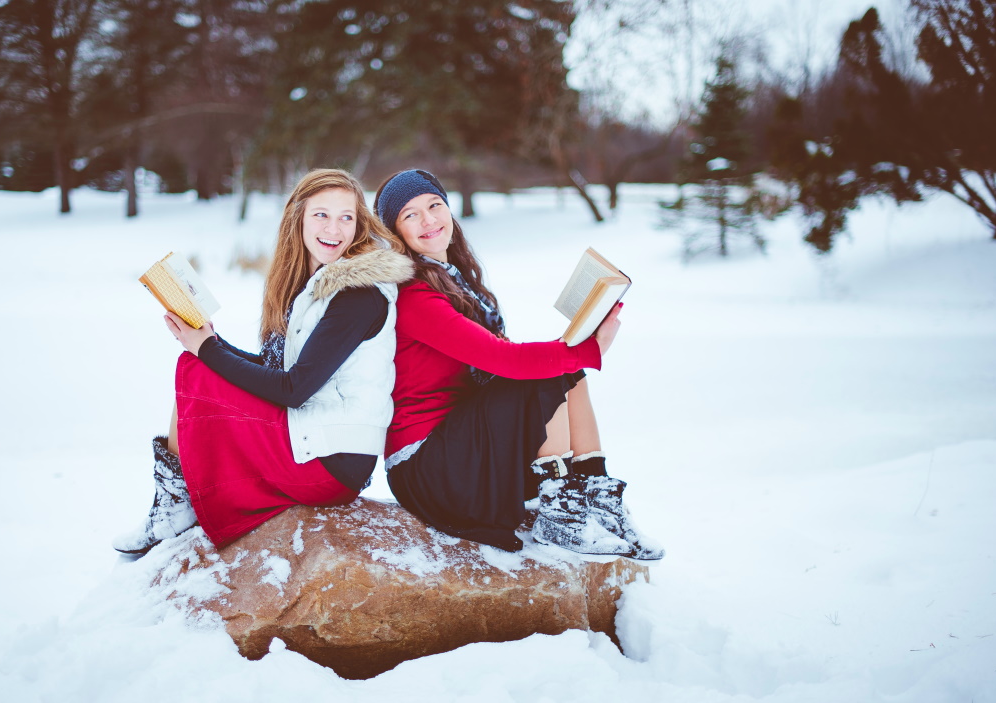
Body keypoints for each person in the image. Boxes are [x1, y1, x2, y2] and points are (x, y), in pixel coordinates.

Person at [114, 169, 413, 555]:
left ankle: (176, 504)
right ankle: (177, 501)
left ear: (358, 227)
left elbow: (294, 388)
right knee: (200, 365)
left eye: (346, 217)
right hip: (317, 437)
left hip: (332, 460)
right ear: (299, 219)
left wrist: (208, 349)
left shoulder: (358, 294)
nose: (334, 228)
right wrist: (210, 342)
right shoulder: (317, 286)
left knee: (197, 370)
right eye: (321, 214)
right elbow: (280, 373)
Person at [374, 168, 664, 559]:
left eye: (434, 205)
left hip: (462, 444)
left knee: (561, 371)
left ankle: (597, 499)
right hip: (427, 465)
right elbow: (501, 359)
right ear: (396, 233)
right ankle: (559, 510)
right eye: (410, 215)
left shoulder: (456, 280)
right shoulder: (414, 294)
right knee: (543, 373)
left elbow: (500, 357)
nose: (428, 220)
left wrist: (576, 344)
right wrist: (587, 350)